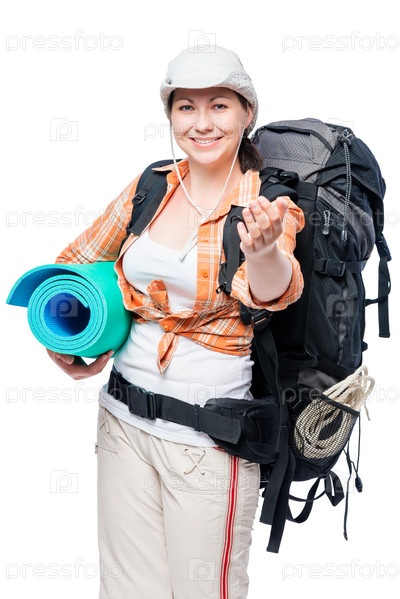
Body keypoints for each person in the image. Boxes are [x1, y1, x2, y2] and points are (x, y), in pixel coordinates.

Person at [46, 45, 305, 599]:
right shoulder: (152, 185)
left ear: (247, 112)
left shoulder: (269, 203)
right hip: (121, 423)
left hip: (207, 441)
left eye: (219, 105)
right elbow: (75, 264)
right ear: (169, 115)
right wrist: (66, 343)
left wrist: (263, 251)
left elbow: (274, 293)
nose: (202, 123)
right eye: (186, 107)